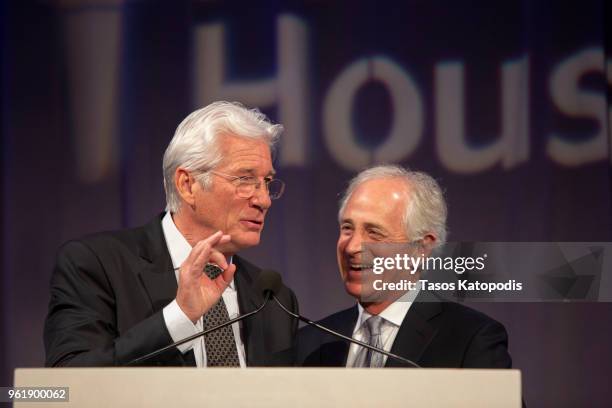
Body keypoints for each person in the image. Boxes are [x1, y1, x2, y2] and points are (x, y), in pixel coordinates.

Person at [44, 101, 298, 367]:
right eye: (245, 180)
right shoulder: (97, 266)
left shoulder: (274, 300)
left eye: (266, 182)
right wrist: (179, 318)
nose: (264, 200)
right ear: (187, 185)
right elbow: (67, 383)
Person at [298, 165, 512, 368]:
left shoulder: (470, 339)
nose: (352, 246)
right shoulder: (309, 343)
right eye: (347, 228)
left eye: (374, 232)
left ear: (422, 248)